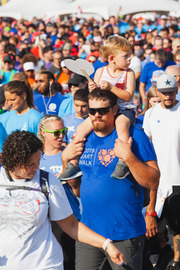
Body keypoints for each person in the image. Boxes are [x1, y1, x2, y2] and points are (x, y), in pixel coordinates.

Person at [61, 88, 160, 270]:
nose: (96, 115)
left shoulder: (135, 136)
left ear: (115, 110)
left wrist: (129, 158)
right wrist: (65, 160)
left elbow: (153, 181)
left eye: (102, 110)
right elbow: (76, 189)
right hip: (89, 233)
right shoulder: (83, 139)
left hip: (125, 233)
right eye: (92, 111)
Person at [0, 130, 124, 270]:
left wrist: (106, 244)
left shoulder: (47, 181)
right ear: (13, 161)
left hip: (45, 265)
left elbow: (71, 225)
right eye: (30, 164)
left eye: (39, 161)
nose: (36, 167)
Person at [61, 35, 136, 181]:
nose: (129, 59)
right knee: (81, 129)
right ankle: (74, 163)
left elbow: (128, 96)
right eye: (125, 56)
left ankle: (123, 162)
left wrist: (111, 88)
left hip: (124, 109)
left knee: (121, 125)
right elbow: (94, 96)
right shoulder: (101, 72)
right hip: (103, 109)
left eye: (129, 56)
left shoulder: (129, 73)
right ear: (112, 58)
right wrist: (92, 89)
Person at [143, 74, 180, 270]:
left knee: (177, 226)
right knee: (154, 223)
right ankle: (163, 253)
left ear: (177, 90)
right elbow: (146, 142)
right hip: (156, 179)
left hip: (177, 177)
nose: (168, 96)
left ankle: (176, 260)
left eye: (171, 92)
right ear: (157, 92)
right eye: (164, 92)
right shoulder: (151, 114)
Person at [38, 114, 81, 270]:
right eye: (56, 132)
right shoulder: (37, 157)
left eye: (63, 131)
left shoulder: (70, 153)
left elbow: (76, 187)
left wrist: (62, 174)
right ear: (44, 133)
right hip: (45, 223)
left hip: (69, 218)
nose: (61, 136)